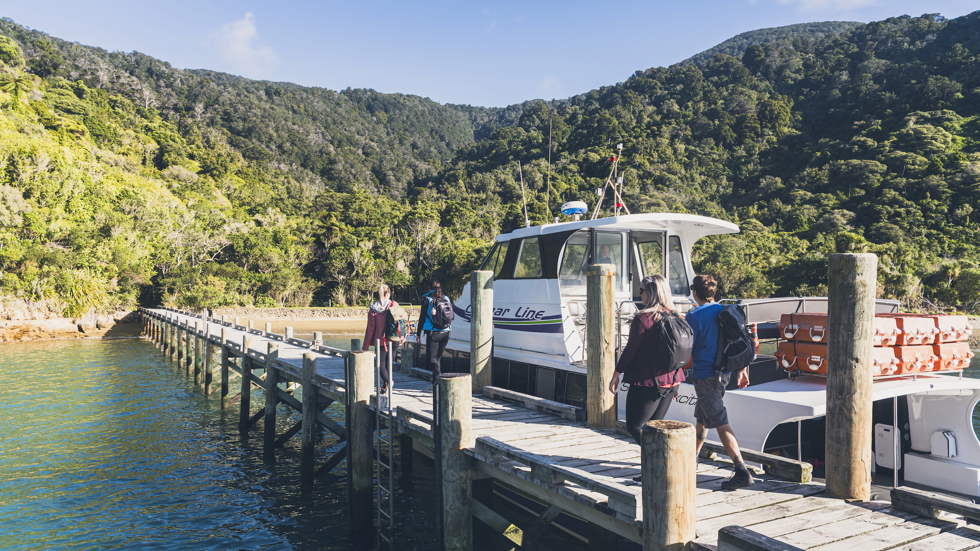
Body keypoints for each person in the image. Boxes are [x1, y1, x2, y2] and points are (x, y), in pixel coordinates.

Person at [687, 274, 754, 490]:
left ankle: (741, 470)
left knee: (720, 420)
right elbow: (738, 341)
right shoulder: (727, 311)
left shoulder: (694, 316)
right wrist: (742, 369)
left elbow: (685, 348)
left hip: (705, 374)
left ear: (695, 292)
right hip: (724, 373)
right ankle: (693, 458)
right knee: (702, 414)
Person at [608, 275, 686, 446]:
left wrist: (616, 374)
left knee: (635, 426)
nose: (639, 294)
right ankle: (654, 469)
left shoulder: (643, 319)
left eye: (641, 290)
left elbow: (630, 351)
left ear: (650, 293)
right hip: (672, 382)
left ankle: (659, 465)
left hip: (648, 383)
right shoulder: (676, 316)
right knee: (653, 428)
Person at [363, 283, 398, 392]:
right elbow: (402, 321)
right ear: (389, 293)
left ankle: (388, 381)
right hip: (394, 338)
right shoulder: (394, 304)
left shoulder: (374, 309)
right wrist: (403, 337)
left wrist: (365, 346)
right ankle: (385, 386)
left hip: (381, 341)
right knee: (388, 364)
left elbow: (370, 329)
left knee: (380, 364)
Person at [416, 278, 451, 379]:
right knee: (437, 359)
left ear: (429, 287)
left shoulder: (427, 299)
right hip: (446, 332)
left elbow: (422, 318)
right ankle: (435, 384)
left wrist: (418, 334)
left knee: (432, 360)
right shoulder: (446, 298)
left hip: (433, 333)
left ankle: (441, 380)